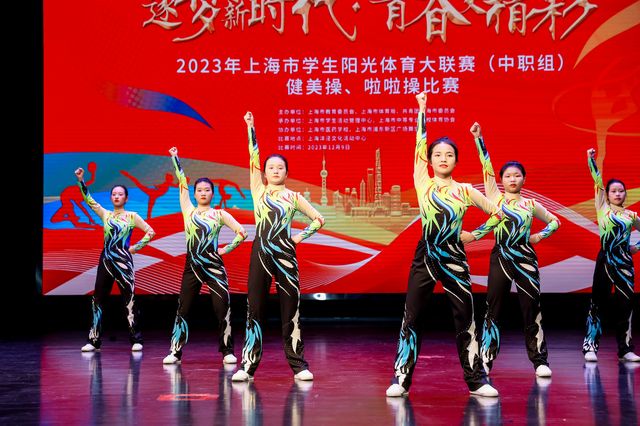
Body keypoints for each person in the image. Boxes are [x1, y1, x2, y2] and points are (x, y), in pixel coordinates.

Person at [386, 93, 502, 398]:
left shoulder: (465, 190)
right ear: (430, 160)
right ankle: (401, 379)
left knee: (465, 317)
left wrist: (474, 235)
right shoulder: (423, 182)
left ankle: (476, 381)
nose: (442, 158)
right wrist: (422, 110)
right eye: (437, 154)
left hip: (454, 256)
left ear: (455, 160)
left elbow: (498, 213)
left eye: (449, 154)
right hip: (425, 254)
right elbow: (419, 146)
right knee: (412, 316)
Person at [232, 111, 325, 382]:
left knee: (291, 308)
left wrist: (298, 238)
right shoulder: (259, 190)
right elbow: (253, 158)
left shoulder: (293, 196)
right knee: (255, 308)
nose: (275, 170)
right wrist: (251, 127)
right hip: (260, 251)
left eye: (280, 168)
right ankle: (248, 366)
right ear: (264, 172)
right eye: (271, 167)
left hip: (285, 254)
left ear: (287, 172)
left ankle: (299, 365)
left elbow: (319, 219)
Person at [470, 122, 560, 378]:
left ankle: (539, 361)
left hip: (525, 258)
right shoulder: (495, 198)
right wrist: (479, 139)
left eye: (517, 175)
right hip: (501, 256)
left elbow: (555, 221)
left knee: (531, 308)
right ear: (501, 180)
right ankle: (486, 359)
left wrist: (540, 236)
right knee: (493, 309)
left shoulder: (531, 204)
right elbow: (486, 169)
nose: (512, 179)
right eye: (508, 176)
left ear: (524, 179)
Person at [162, 147, 248, 365]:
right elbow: (182, 182)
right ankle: (175, 351)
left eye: (207, 190)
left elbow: (242, 232)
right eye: (199, 190)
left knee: (222, 308)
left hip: (214, 267)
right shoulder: (188, 211)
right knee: (183, 309)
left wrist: (226, 249)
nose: (202, 193)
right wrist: (175, 158)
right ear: (194, 194)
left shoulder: (219, 214)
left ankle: (227, 351)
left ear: (212, 193)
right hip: (192, 267)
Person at [75, 167, 155, 352]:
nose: (117, 197)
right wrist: (81, 180)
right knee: (98, 300)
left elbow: (150, 232)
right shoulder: (106, 214)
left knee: (129, 300)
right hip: (106, 260)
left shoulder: (132, 216)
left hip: (124, 261)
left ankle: (136, 339)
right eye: (114, 194)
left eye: (120, 194)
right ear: (111, 198)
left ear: (126, 198)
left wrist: (135, 247)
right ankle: (93, 340)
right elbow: (89, 201)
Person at [582, 148, 640, 363]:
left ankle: (625, 350)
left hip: (625, 262)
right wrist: (591, 160)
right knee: (597, 304)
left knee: (626, 305)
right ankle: (590, 347)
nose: (617, 194)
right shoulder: (603, 208)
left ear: (625, 194)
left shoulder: (631, 215)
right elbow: (597, 182)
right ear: (606, 195)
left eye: (621, 191)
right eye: (613, 191)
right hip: (605, 260)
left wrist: (636, 246)